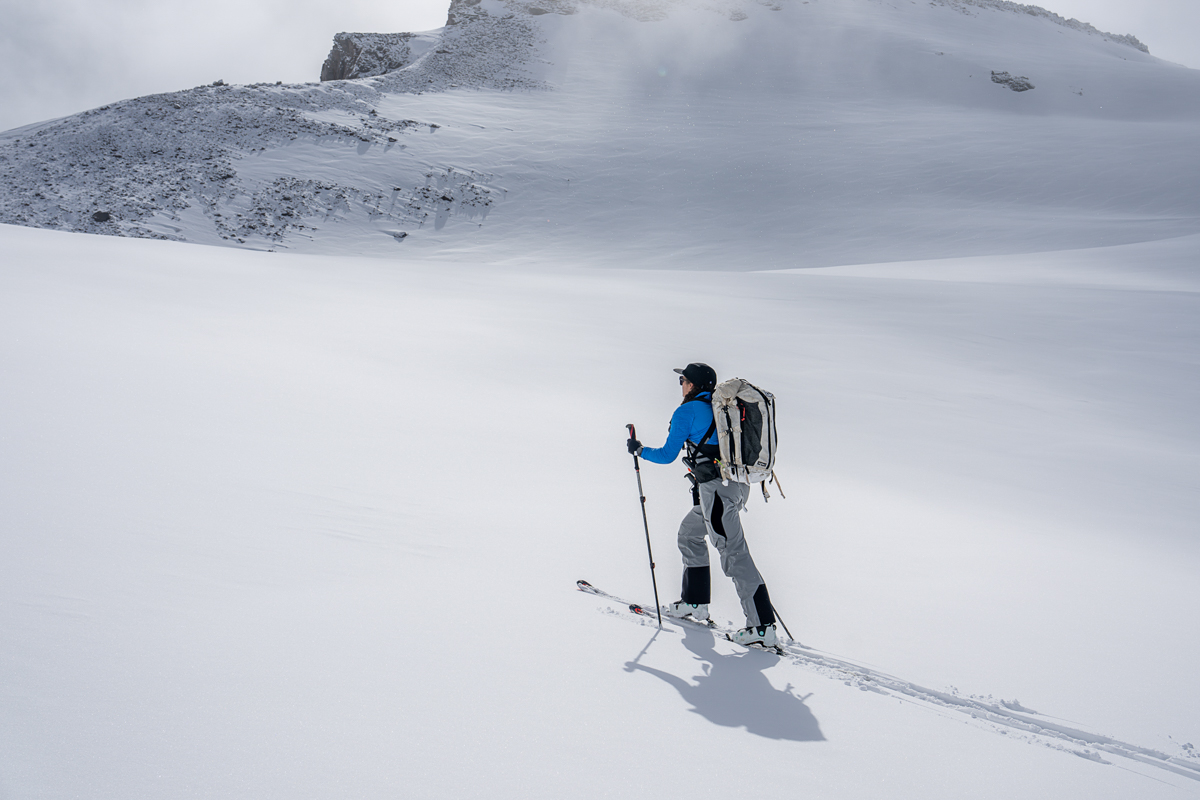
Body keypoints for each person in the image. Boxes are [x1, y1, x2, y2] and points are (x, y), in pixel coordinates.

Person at [626, 363, 778, 647]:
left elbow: (668, 454)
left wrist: (640, 451)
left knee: (734, 554)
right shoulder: (721, 409)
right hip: (735, 486)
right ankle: (695, 603)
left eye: (683, 380)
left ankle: (762, 627)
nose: (681, 385)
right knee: (689, 533)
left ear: (693, 384)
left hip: (717, 492)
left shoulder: (687, 411)